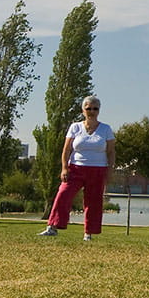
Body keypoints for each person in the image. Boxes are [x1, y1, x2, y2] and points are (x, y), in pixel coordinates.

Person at [40, 95, 114, 240]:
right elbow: (66, 150)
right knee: (63, 195)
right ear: (83, 110)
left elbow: (111, 152)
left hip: (98, 169)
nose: (91, 111)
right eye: (88, 108)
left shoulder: (106, 129)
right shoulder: (75, 127)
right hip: (75, 168)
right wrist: (64, 168)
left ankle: (88, 233)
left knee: (93, 202)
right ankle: (52, 227)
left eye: (95, 109)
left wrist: (110, 171)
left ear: (99, 110)